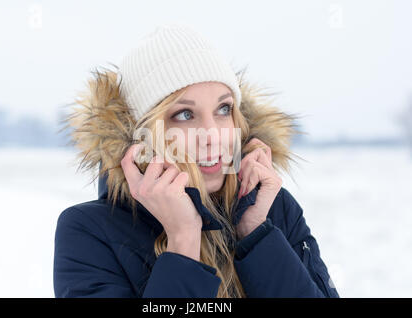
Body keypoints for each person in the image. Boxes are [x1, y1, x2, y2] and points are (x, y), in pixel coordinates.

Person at [53, 24, 339, 298]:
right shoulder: (89, 231)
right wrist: (183, 240)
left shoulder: (273, 209)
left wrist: (256, 235)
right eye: (185, 115)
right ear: (142, 137)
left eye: (224, 109)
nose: (212, 136)